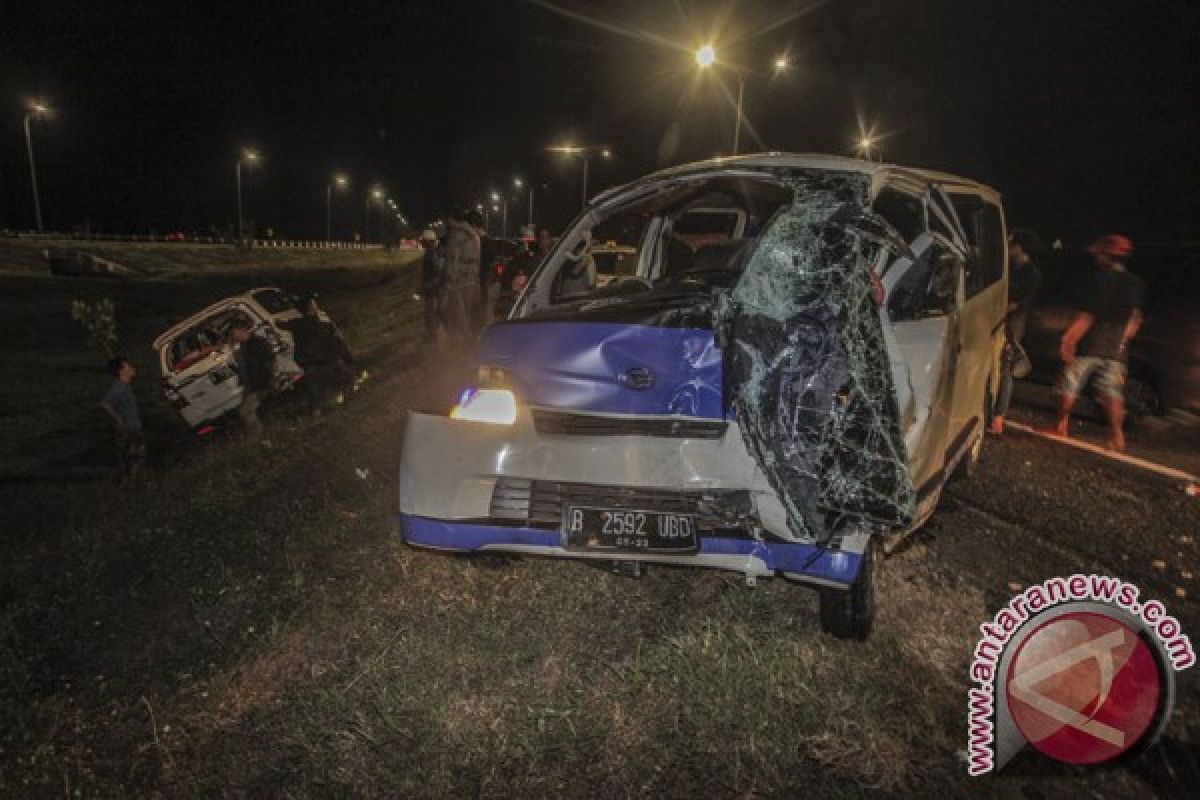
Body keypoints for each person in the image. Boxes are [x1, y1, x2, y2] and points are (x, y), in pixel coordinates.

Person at [1046, 234, 1144, 451]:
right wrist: (1121, 340)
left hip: (1090, 343)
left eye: (1099, 254)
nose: (1096, 258)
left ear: (1106, 255)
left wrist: (1068, 339)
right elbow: (1135, 318)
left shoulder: (1097, 279)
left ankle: (1060, 425)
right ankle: (1116, 435)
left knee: (1069, 385)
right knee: (1111, 392)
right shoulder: (1134, 283)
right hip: (1116, 349)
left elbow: (1086, 315)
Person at [989, 228, 1043, 434]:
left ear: (1019, 247)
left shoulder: (1031, 273)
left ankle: (998, 418)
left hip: (1011, 326)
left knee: (1005, 369)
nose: (1008, 247)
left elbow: (1016, 302)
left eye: (1011, 243)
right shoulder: (1010, 268)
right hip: (1001, 322)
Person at [291, 294, 355, 415]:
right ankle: (344, 407)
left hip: (310, 365)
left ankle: (320, 415)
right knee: (346, 379)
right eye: (314, 304)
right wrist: (345, 356)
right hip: (324, 363)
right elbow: (335, 342)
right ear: (310, 308)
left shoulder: (298, 325)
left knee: (318, 395)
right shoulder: (320, 325)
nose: (316, 306)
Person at [438, 209, 481, 345]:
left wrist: (446, 288)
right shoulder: (473, 234)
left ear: (451, 219)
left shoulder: (456, 235)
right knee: (467, 316)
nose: (445, 223)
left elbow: (451, 262)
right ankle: (469, 344)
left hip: (458, 283)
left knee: (455, 317)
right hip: (471, 280)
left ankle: (464, 349)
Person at [230, 317, 277, 441]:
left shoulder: (257, 343)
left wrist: (268, 379)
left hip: (259, 383)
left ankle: (257, 437)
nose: (233, 335)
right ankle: (258, 436)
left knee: (246, 412)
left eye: (234, 332)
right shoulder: (243, 346)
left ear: (242, 331)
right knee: (245, 411)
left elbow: (268, 361)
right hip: (251, 384)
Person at [101, 356, 145, 486]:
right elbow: (105, 403)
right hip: (129, 429)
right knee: (134, 457)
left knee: (132, 458)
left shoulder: (125, 386)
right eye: (127, 366)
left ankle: (130, 484)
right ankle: (132, 485)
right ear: (121, 371)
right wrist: (119, 420)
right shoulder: (119, 387)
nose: (131, 367)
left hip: (132, 427)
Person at [471, 210, 497, 328]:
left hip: (481, 282)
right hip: (485, 282)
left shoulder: (478, 241)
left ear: (475, 225)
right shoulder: (489, 241)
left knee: (480, 314)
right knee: (484, 313)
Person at [419, 228, 443, 345]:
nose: (421, 242)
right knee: (431, 316)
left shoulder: (431, 254)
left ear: (428, 241)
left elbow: (436, 274)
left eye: (423, 240)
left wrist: (425, 288)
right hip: (433, 289)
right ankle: (433, 338)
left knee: (431, 316)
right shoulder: (433, 252)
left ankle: (433, 340)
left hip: (432, 290)